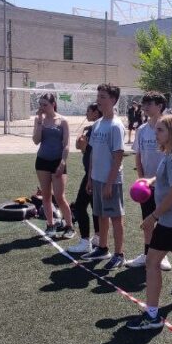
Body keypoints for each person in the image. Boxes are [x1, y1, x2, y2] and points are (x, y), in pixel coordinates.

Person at [127, 115, 172, 332]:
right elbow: (166, 179)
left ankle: (152, 315)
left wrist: (153, 217)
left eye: (160, 130)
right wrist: (150, 180)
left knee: (152, 263)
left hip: (170, 220)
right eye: (156, 130)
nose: (155, 134)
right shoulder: (171, 154)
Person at [126, 91, 172, 272]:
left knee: (163, 222)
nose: (144, 107)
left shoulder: (169, 128)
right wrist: (141, 180)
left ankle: (162, 255)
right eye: (143, 104)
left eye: (149, 104)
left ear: (159, 106)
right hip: (146, 186)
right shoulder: (142, 130)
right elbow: (138, 156)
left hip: (165, 185)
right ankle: (147, 254)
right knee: (147, 221)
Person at [83, 84, 126, 269]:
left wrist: (110, 183)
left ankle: (119, 254)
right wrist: (90, 178)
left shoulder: (116, 126)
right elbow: (93, 153)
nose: (98, 100)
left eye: (103, 97)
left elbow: (118, 156)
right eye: (98, 96)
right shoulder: (98, 123)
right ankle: (102, 248)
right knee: (100, 214)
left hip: (111, 181)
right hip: (97, 178)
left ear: (113, 100)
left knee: (116, 217)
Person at [32, 93, 74, 239]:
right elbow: (36, 141)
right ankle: (50, 225)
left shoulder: (63, 121)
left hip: (57, 162)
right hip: (42, 161)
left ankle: (69, 226)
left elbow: (66, 144)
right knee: (46, 196)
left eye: (45, 104)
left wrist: (63, 162)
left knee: (59, 197)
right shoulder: (39, 120)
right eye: (40, 105)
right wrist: (39, 121)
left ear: (53, 104)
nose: (42, 107)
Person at [67, 103, 102, 255]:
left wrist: (82, 131)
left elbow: (79, 145)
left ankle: (86, 241)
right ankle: (97, 238)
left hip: (92, 174)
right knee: (95, 208)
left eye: (88, 111)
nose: (86, 113)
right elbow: (81, 148)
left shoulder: (95, 129)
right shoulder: (95, 128)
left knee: (81, 206)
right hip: (92, 173)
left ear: (95, 112)